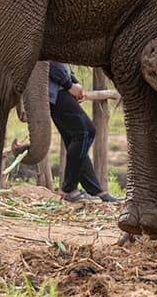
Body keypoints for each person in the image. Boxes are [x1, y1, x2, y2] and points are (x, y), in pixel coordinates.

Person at [49, 61, 121, 203]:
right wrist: (69, 85)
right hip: (56, 91)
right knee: (86, 132)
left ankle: (95, 190)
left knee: (75, 138)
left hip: (61, 89)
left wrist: (74, 84)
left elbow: (62, 63)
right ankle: (69, 189)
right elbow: (49, 62)